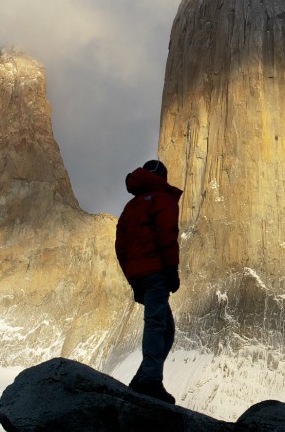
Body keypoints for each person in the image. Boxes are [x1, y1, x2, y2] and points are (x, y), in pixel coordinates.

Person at [114, 159, 182, 404]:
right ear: (161, 177)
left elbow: (121, 247)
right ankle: (150, 381)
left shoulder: (130, 207)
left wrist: (132, 275)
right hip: (156, 272)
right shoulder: (163, 200)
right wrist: (171, 271)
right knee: (156, 325)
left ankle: (145, 376)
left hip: (139, 275)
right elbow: (167, 236)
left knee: (166, 327)